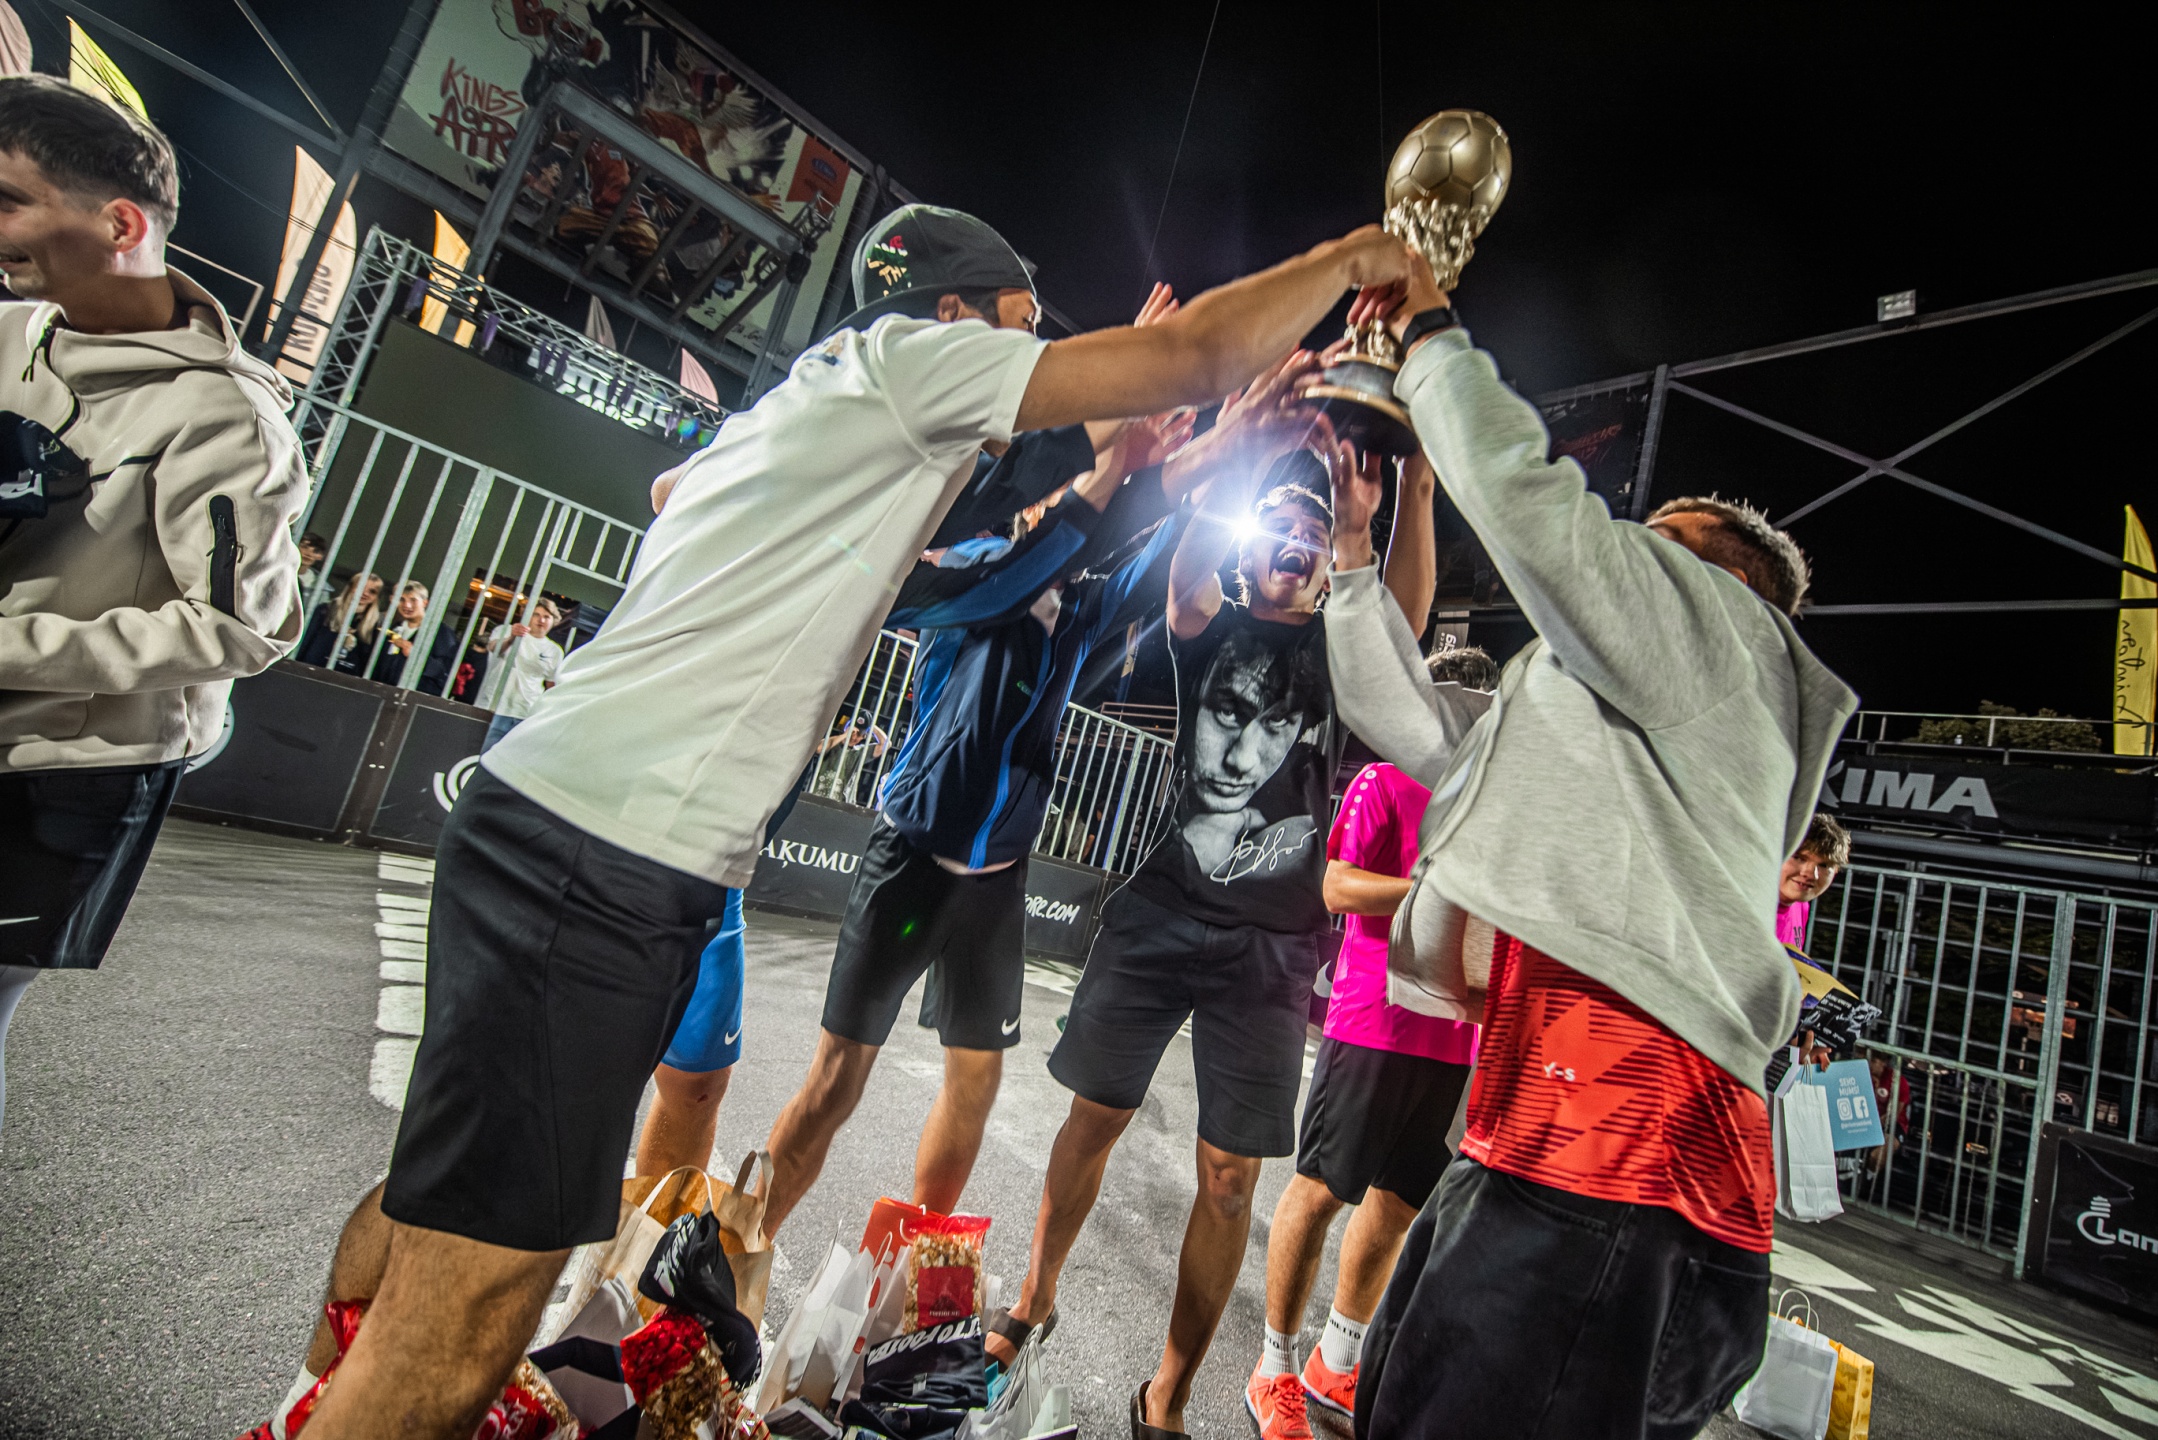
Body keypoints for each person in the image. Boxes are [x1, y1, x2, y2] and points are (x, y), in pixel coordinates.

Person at [274, 200, 1415, 1440]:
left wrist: (1151, 459)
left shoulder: (828, 429)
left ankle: (311, 1403)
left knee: (441, 1200)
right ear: (950, 316)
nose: (1032, 363)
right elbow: (1178, 362)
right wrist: (1350, 262)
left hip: (583, 828)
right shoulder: (902, 364)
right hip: (609, 852)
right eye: (1021, 332)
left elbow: (988, 536)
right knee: (479, 1295)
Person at [1325, 255, 1857, 1439]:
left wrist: (1429, 334)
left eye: (1656, 546)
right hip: (1540, 1135)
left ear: (1727, 589)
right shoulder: (1598, 729)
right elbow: (1399, 713)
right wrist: (1355, 550)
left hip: (1620, 1153)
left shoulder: (1726, 645)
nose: (1626, 555)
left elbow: (1541, 519)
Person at [758, 354, 1304, 1245]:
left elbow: (1174, 547)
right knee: (836, 1079)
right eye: (1067, 481)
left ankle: (909, 1276)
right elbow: (1086, 530)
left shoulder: (1085, 608)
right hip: (911, 859)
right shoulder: (981, 564)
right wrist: (1121, 460)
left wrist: (1234, 453)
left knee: (974, 1083)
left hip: (996, 881)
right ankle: (743, 1244)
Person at [986, 429, 1435, 1437]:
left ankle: (1170, 1395)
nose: (1297, 535)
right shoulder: (1209, 622)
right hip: (1157, 916)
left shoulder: (1339, 655)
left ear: (1324, 562)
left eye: (1313, 529)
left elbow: (1401, 623)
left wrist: (1412, 486)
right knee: (1092, 1121)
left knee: (1230, 1181)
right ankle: (1033, 1301)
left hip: (1271, 950)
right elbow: (1187, 571)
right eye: (1279, 520)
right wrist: (1246, 445)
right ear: (1249, 543)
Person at [0, 76, 303, 1129]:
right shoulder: (10, 334)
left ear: (121, 224)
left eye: (9, 202)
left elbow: (238, 627)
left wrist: (8, 648)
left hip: (63, 771)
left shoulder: (226, 415)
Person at [1247, 647, 1495, 1438]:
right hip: (1374, 1021)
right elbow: (1335, 885)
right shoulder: (1385, 780)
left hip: (1455, 1037)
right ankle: (1274, 1367)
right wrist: (1431, 892)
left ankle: (1337, 1361)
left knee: (1395, 1208)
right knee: (1322, 1191)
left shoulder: (1494, 809)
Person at [475, 597, 563, 751]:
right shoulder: (506, 630)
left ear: (553, 621)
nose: (541, 620)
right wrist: (512, 638)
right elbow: (494, 648)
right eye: (536, 614)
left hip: (525, 713)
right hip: (493, 706)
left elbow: (551, 685)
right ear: (526, 614)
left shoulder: (554, 650)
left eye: (547, 616)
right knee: (478, 753)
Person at [371, 581, 460, 695]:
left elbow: (444, 673)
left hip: (415, 699)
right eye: (401, 599)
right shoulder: (394, 629)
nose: (407, 605)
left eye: (413, 600)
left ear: (425, 603)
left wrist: (416, 656)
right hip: (383, 694)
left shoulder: (442, 633)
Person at [1778, 811, 1849, 948]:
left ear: (1835, 870)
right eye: (1798, 858)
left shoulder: (1800, 906)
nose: (1811, 874)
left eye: (1824, 865)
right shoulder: (1745, 906)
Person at [296, 570, 383, 674]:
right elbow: (305, 642)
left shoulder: (375, 625)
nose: (365, 593)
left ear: (376, 597)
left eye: (372, 591)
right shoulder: (325, 610)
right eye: (361, 587)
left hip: (348, 678)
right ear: (350, 587)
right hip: (311, 670)